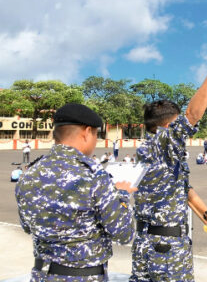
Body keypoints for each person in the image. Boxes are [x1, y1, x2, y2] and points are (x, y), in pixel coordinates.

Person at [131, 54, 207, 282]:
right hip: (167, 251)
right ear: (169, 126)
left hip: (146, 244)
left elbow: (182, 188)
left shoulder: (152, 152)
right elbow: (193, 115)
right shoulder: (163, 143)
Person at [15, 103, 136, 281]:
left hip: (42, 275)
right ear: (86, 132)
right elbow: (124, 233)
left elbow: (28, 226)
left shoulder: (29, 173)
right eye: (96, 135)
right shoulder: (93, 175)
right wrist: (122, 195)